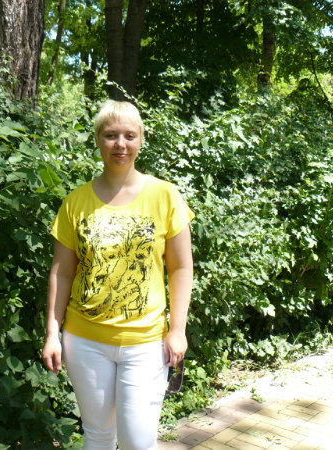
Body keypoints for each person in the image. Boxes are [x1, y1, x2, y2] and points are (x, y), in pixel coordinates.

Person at [42, 99, 194, 450]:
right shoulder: (75, 202)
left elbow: (181, 267)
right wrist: (52, 332)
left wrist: (178, 330)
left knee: (137, 442)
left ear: (140, 139)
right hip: (84, 341)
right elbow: (61, 274)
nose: (120, 144)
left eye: (129, 135)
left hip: (145, 342)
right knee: (97, 436)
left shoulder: (165, 196)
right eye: (110, 135)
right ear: (98, 139)